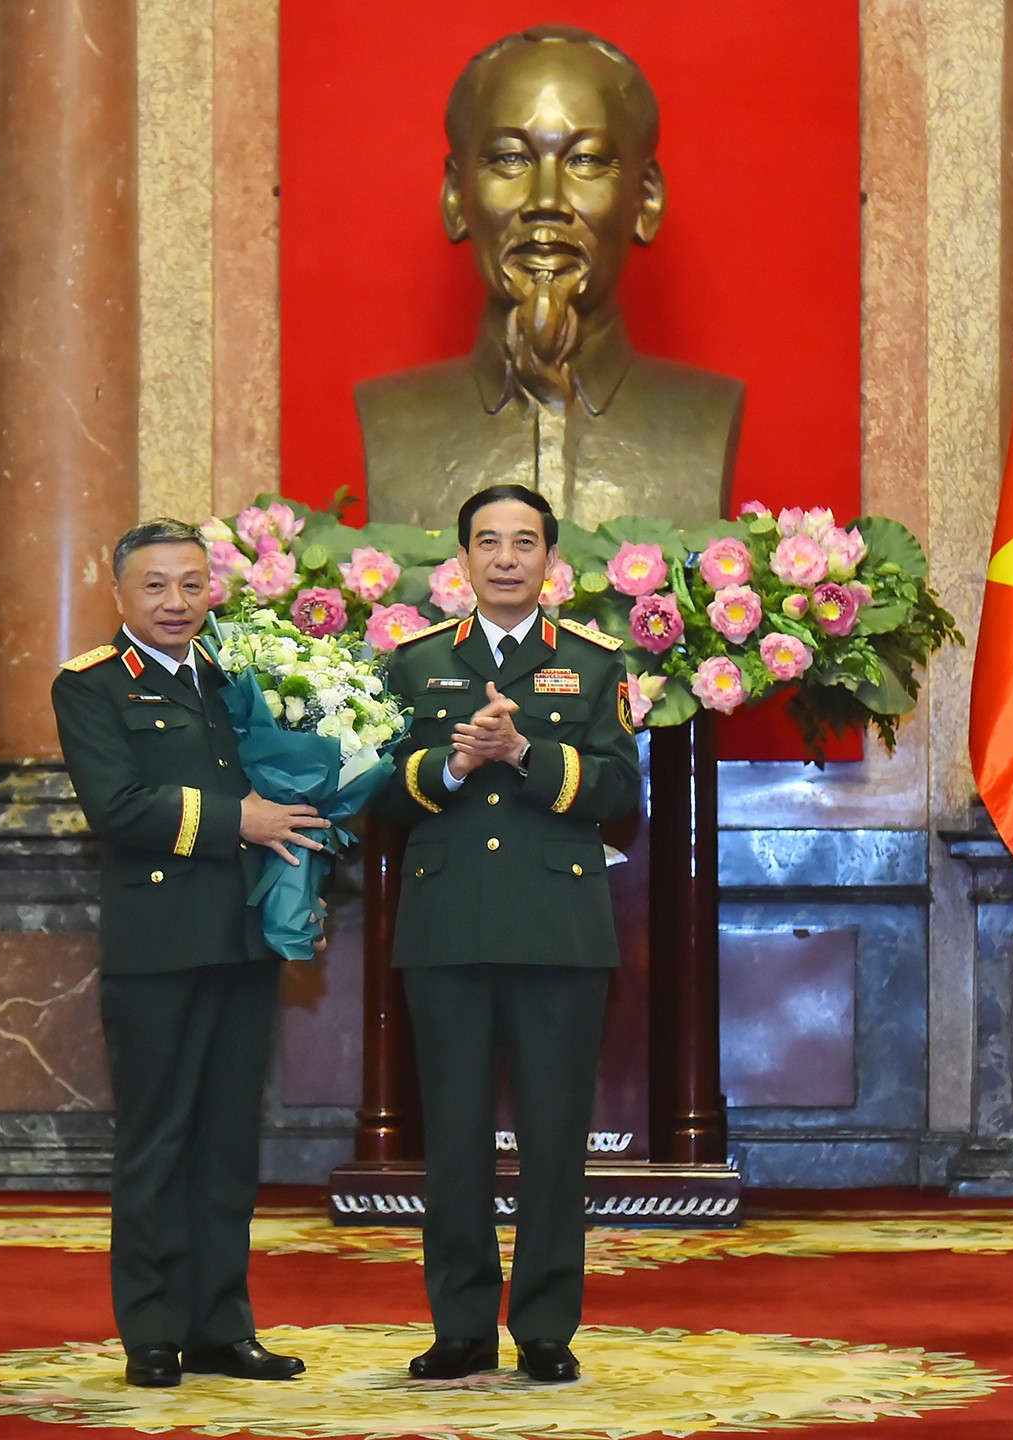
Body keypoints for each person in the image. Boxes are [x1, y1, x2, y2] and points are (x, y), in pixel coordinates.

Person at [51, 517, 331, 1389]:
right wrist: (237, 819)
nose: (176, 602)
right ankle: (152, 1331)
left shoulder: (235, 675)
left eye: (191, 585)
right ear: (120, 593)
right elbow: (119, 805)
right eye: (156, 586)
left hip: (240, 938)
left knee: (226, 1146)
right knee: (157, 1141)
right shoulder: (91, 685)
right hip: (159, 945)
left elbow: (278, 779)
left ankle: (222, 1326)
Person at [380, 484, 642, 1383]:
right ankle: (459, 1327)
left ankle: (544, 1330)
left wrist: (525, 754)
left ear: (549, 560)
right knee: (451, 1138)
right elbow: (375, 795)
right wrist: (452, 763)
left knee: (554, 1139)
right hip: (446, 927)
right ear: (460, 559)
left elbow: (619, 797)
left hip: (557, 928)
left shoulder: (596, 664)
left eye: (522, 542)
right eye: (486, 541)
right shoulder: (415, 665)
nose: (504, 558)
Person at [357, 24, 742, 530]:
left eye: (584, 160)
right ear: (456, 197)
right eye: (510, 159)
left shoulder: (706, 418)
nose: (545, 202)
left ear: (646, 200)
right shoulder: (394, 420)